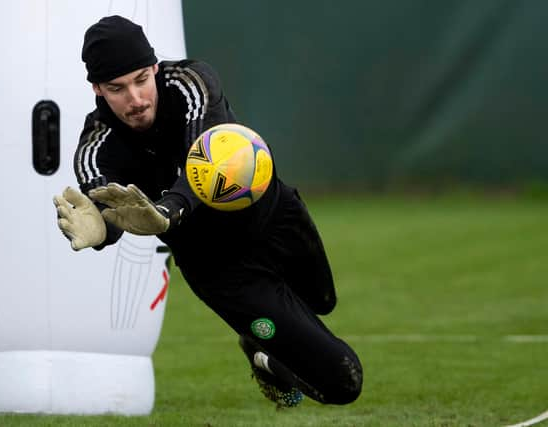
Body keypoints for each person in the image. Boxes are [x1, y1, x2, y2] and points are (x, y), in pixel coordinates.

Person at [53, 15, 363, 408]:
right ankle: (262, 352)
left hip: (274, 219)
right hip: (220, 270)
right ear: (97, 89)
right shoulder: (96, 147)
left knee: (321, 301)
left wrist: (167, 212)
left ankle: (262, 340)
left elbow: (206, 162)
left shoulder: (190, 83)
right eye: (116, 88)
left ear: (154, 69)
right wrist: (101, 231)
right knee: (344, 381)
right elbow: (104, 208)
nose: (135, 99)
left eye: (140, 80)